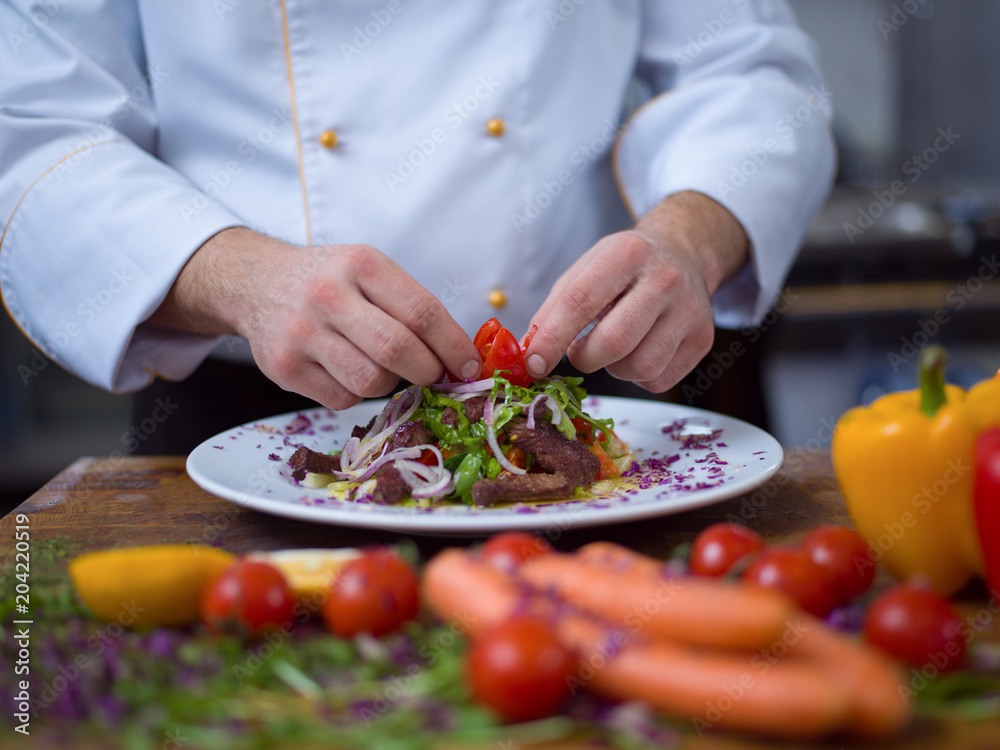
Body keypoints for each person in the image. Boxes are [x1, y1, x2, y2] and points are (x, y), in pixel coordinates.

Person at [0, 1, 835, 452]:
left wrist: (689, 237)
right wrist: (241, 278)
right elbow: (33, 124)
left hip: (584, 400)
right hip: (248, 427)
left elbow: (748, 69)